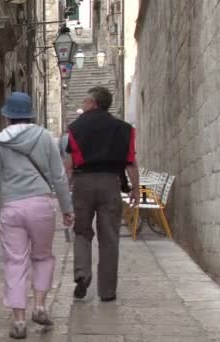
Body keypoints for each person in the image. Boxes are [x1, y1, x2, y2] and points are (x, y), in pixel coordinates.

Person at [0, 92, 74, 339]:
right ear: (30, 113)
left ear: (8, 116)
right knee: (42, 257)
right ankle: (41, 305)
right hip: (42, 206)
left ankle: (19, 320)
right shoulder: (45, 137)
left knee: (15, 262)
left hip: (12, 207)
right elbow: (59, 176)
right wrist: (67, 208)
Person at [64, 86, 140, 303]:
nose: (83, 104)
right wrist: (135, 188)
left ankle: (82, 274)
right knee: (109, 237)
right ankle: (107, 291)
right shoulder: (124, 129)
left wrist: (64, 191)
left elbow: (69, 165)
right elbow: (131, 163)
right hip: (110, 183)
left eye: (86, 101)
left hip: (82, 183)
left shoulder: (76, 128)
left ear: (94, 103)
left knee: (82, 232)